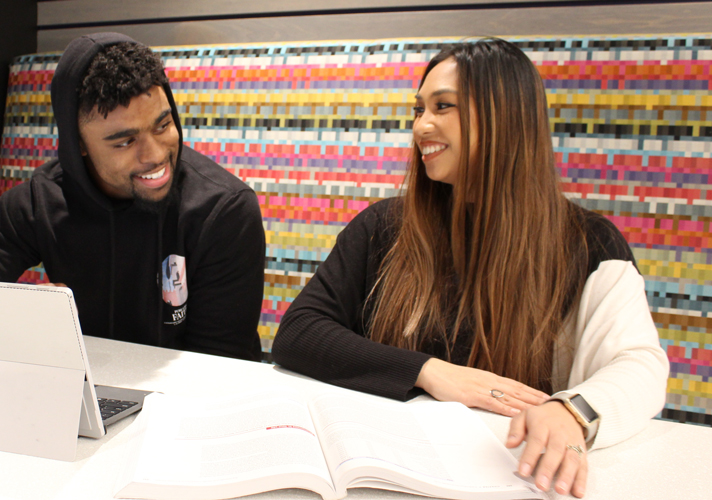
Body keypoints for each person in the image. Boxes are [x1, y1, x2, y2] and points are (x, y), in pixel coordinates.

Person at [271, 38, 668, 498]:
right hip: (385, 473)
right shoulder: (384, 226)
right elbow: (299, 332)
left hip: (513, 476)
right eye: (418, 110)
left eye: (443, 107)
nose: (422, 125)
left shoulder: (588, 243)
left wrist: (572, 412)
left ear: (505, 117)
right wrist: (430, 371)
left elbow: (640, 366)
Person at [0, 33, 265, 362]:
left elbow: (219, 369)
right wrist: (17, 314)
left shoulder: (223, 211)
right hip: (84, 392)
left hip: (191, 401)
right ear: (79, 146)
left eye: (162, 125)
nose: (155, 155)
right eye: (124, 141)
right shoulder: (42, 200)